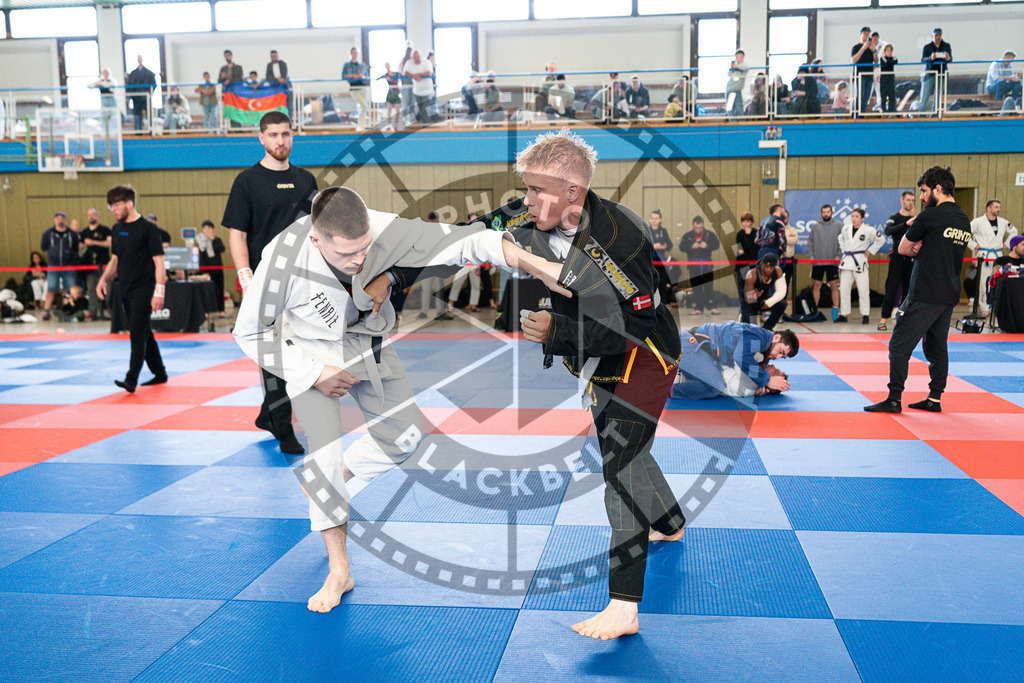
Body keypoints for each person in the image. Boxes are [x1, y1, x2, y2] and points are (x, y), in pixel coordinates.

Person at [380, 129, 686, 640]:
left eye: (538, 190)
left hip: (645, 355)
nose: (527, 199)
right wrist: (395, 278)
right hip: (593, 360)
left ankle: (624, 604)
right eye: (527, 188)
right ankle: (671, 523)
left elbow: (631, 328)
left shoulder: (622, 238)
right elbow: (469, 237)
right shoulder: (526, 214)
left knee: (621, 463)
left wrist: (557, 331)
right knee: (632, 450)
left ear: (573, 194)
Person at [234, 185, 565, 614]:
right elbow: (249, 332)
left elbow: (465, 240)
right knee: (323, 458)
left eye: (363, 250)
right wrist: (313, 373)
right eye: (345, 255)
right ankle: (339, 568)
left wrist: (537, 263)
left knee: (407, 436)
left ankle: (338, 476)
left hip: (366, 338)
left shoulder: (384, 228)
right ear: (316, 239)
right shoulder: (281, 262)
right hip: (309, 350)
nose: (358, 261)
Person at [223, 110, 319, 455]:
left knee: (303, 351)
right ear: (261, 138)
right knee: (275, 355)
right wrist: (246, 277)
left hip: (302, 281)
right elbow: (237, 234)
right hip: (264, 281)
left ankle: (268, 414)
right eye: (274, 135)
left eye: (286, 134)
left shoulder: (307, 179)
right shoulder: (247, 181)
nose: (281, 140)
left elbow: (316, 230)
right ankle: (283, 429)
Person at [865, 166, 970, 414]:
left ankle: (893, 399)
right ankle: (934, 398)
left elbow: (902, 248)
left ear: (938, 189)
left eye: (923, 191)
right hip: (948, 295)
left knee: (899, 345)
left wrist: (916, 243)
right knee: (936, 347)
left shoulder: (929, 216)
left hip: (924, 293)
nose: (921, 197)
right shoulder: (963, 219)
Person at [96, 185, 167, 392]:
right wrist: (103, 280)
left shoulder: (148, 229)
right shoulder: (117, 230)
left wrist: (159, 292)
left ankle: (131, 379)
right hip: (125, 288)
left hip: (145, 289)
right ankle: (160, 372)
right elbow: (115, 260)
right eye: (111, 206)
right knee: (144, 331)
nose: (113, 210)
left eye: (116, 205)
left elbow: (159, 263)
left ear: (129, 203)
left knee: (136, 332)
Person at [672, 321, 797, 399]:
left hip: (702, 352)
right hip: (690, 345)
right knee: (715, 386)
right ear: (776, 337)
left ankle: (681, 376)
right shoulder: (757, 336)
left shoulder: (764, 349)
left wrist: (761, 387)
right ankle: (669, 391)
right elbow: (741, 357)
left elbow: (750, 374)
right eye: (781, 352)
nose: (778, 357)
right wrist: (766, 380)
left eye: (783, 357)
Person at [969, 199, 1019, 316]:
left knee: (999, 281)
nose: (998, 210)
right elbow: (965, 232)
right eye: (996, 207)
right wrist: (973, 245)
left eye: (999, 207)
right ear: (989, 208)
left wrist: (1007, 244)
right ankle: (985, 308)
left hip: (998, 255)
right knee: (984, 282)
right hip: (984, 255)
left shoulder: (1003, 222)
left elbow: (1014, 231)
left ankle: (997, 307)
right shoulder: (978, 222)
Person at [837, 208, 884, 324]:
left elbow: (881, 239)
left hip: (860, 262)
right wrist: (844, 250)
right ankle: (844, 314)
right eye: (852, 216)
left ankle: (865, 314)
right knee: (844, 290)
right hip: (847, 262)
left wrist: (870, 250)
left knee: (863, 290)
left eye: (857, 216)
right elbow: (840, 238)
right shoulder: (846, 228)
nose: (854, 219)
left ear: (862, 218)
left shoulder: (868, 230)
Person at [879, 191, 916, 330]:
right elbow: (888, 231)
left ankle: (902, 320)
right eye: (907, 200)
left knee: (908, 290)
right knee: (891, 288)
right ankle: (883, 320)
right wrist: (906, 224)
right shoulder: (895, 217)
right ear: (902, 201)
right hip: (897, 258)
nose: (910, 202)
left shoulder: (915, 219)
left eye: (912, 200)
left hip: (911, 258)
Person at [40, 211, 80, 320]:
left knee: (70, 289)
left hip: (68, 266)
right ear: (54, 220)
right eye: (57, 218)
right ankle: (47, 311)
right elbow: (43, 247)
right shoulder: (48, 233)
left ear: (65, 220)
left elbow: (76, 249)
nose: (59, 220)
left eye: (62, 218)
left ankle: (68, 309)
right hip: (53, 266)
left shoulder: (72, 234)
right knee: (51, 288)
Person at [679, 216, 720, 315]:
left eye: (700, 227)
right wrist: (691, 247)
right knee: (696, 287)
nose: (698, 229)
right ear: (693, 225)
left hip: (706, 264)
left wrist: (707, 246)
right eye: (696, 227)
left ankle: (712, 307)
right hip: (694, 265)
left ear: (703, 225)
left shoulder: (709, 234)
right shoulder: (688, 235)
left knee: (709, 286)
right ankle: (698, 308)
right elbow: (682, 247)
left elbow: (716, 244)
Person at [806, 204, 842, 316]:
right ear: (821, 214)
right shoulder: (815, 226)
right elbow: (810, 243)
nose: (826, 214)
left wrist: (838, 256)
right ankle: (814, 310)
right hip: (818, 261)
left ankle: (836, 308)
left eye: (828, 212)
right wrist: (811, 256)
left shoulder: (839, 225)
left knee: (834, 284)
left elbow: (843, 242)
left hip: (833, 261)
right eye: (824, 212)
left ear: (831, 213)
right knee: (817, 284)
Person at [81, 207, 112, 321]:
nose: (91, 217)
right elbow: (79, 247)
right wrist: (85, 245)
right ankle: (92, 313)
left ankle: (111, 312)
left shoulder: (104, 230)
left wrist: (94, 242)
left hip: (104, 264)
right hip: (90, 266)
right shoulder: (84, 232)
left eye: (93, 214)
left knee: (108, 288)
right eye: (89, 215)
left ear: (97, 216)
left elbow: (109, 243)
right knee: (91, 289)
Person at [743, 252, 787, 330]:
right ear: (762, 264)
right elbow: (747, 298)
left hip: (764, 301)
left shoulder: (778, 271)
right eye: (766, 266)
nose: (768, 269)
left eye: (771, 267)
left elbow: (782, 291)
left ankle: (767, 328)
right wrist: (753, 297)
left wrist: (769, 302)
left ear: (775, 267)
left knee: (783, 303)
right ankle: (745, 321)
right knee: (752, 330)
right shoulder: (752, 274)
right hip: (750, 302)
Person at [197, 220, 226, 316]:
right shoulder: (200, 241)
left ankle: (221, 310)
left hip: (218, 269)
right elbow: (200, 257)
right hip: (207, 270)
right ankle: (206, 311)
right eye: (205, 228)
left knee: (220, 290)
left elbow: (221, 249)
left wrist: (212, 239)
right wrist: (204, 271)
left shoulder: (217, 240)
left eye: (209, 228)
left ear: (212, 229)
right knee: (207, 291)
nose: (207, 230)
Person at [919, 28, 951, 114]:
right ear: (932, 36)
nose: (938, 37)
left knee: (938, 98)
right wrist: (931, 58)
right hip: (929, 74)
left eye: (939, 35)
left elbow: (950, 59)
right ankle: (921, 117)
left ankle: (935, 116)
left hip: (941, 74)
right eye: (936, 35)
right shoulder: (927, 47)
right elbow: (923, 60)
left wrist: (948, 57)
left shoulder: (946, 46)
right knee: (924, 97)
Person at [650, 210, 675, 306]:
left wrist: (664, 248)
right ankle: (652, 304)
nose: (654, 221)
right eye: (652, 218)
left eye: (656, 219)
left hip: (661, 261)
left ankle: (663, 303)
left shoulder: (663, 231)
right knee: (651, 282)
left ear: (660, 220)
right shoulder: (647, 229)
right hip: (651, 261)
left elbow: (669, 244)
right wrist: (654, 246)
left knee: (662, 282)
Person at [404, 50, 436, 124]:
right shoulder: (409, 63)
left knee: (425, 109)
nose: (416, 59)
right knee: (421, 109)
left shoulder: (427, 62)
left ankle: (426, 125)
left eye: (418, 57)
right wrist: (414, 76)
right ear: (412, 58)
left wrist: (418, 75)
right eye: (414, 57)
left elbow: (429, 72)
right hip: (417, 91)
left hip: (428, 90)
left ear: (420, 57)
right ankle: (424, 124)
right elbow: (405, 73)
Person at [342, 47, 371, 130]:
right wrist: (352, 76)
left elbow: (366, 76)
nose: (355, 54)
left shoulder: (362, 65)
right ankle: (360, 125)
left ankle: (362, 126)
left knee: (364, 107)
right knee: (364, 106)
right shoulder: (347, 65)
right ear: (350, 53)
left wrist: (361, 76)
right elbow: (344, 76)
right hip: (354, 88)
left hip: (363, 87)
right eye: (353, 52)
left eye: (356, 52)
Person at [126, 55, 156, 131]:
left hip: (146, 97)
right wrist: (129, 97)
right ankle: (138, 130)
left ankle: (151, 130)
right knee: (137, 115)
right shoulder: (133, 73)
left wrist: (149, 94)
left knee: (149, 113)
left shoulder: (149, 73)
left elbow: (153, 85)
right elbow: (129, 86)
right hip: (136, 98)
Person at [851, 27, 877, 115]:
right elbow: (854, 60)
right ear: (861, 34)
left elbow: (876, 61)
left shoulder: (870, 48)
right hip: (860, 75)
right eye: (865, 33)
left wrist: (873, 50)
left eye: (868, 34)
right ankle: (855, 115)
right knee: (860, 97)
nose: (867, 36)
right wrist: (863, 47)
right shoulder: (856, 47)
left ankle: (861, 115)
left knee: (866, 97)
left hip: (869, 74)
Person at [734, 211, 758, 304]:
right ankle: (743, 308)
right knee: (742, 286)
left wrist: (746, 250)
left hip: (753, 265)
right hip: (742, 265)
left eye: (747, 221)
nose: (745, 224)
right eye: (743, 221)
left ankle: (752, 307)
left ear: (751, 222)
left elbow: (755, 249)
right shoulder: (740, 234)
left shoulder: (756, 233)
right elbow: (741, 250)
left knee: (753, 287)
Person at [726, 50, 748, 117]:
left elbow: (746, 67)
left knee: (739, 108)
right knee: (730, 109)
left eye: (738, 57)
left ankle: (741, 125)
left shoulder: (743, 66)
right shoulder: (734, 67)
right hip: (730, 89)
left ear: (742, 57)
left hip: (737, 90)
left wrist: (737, 67)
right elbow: (728, 74)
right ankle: (732, 124)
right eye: (736, 57)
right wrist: (732, 68)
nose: (736, 59)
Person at [879, 43, 898, 113]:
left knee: (892, 96)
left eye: (891, 51)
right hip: (884, 80)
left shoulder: (894, 58)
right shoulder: (882, 58)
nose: (889, 52)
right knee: (883, 96)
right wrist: (890, 62)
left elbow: (895, 61)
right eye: (888, 51)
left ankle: (892, 110)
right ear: (884, 52)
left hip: (891, 80)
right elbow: (886, 63)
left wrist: (889, 62)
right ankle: (883, 110)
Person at [383, 63, 403, 128]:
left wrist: (400, 87)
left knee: (398, 110)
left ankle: (396, 124)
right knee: (389, 110)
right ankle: (389, 125)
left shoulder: (396, 74)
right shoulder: (386, 75)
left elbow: (401, 78)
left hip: (396, 93)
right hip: (390, 93)